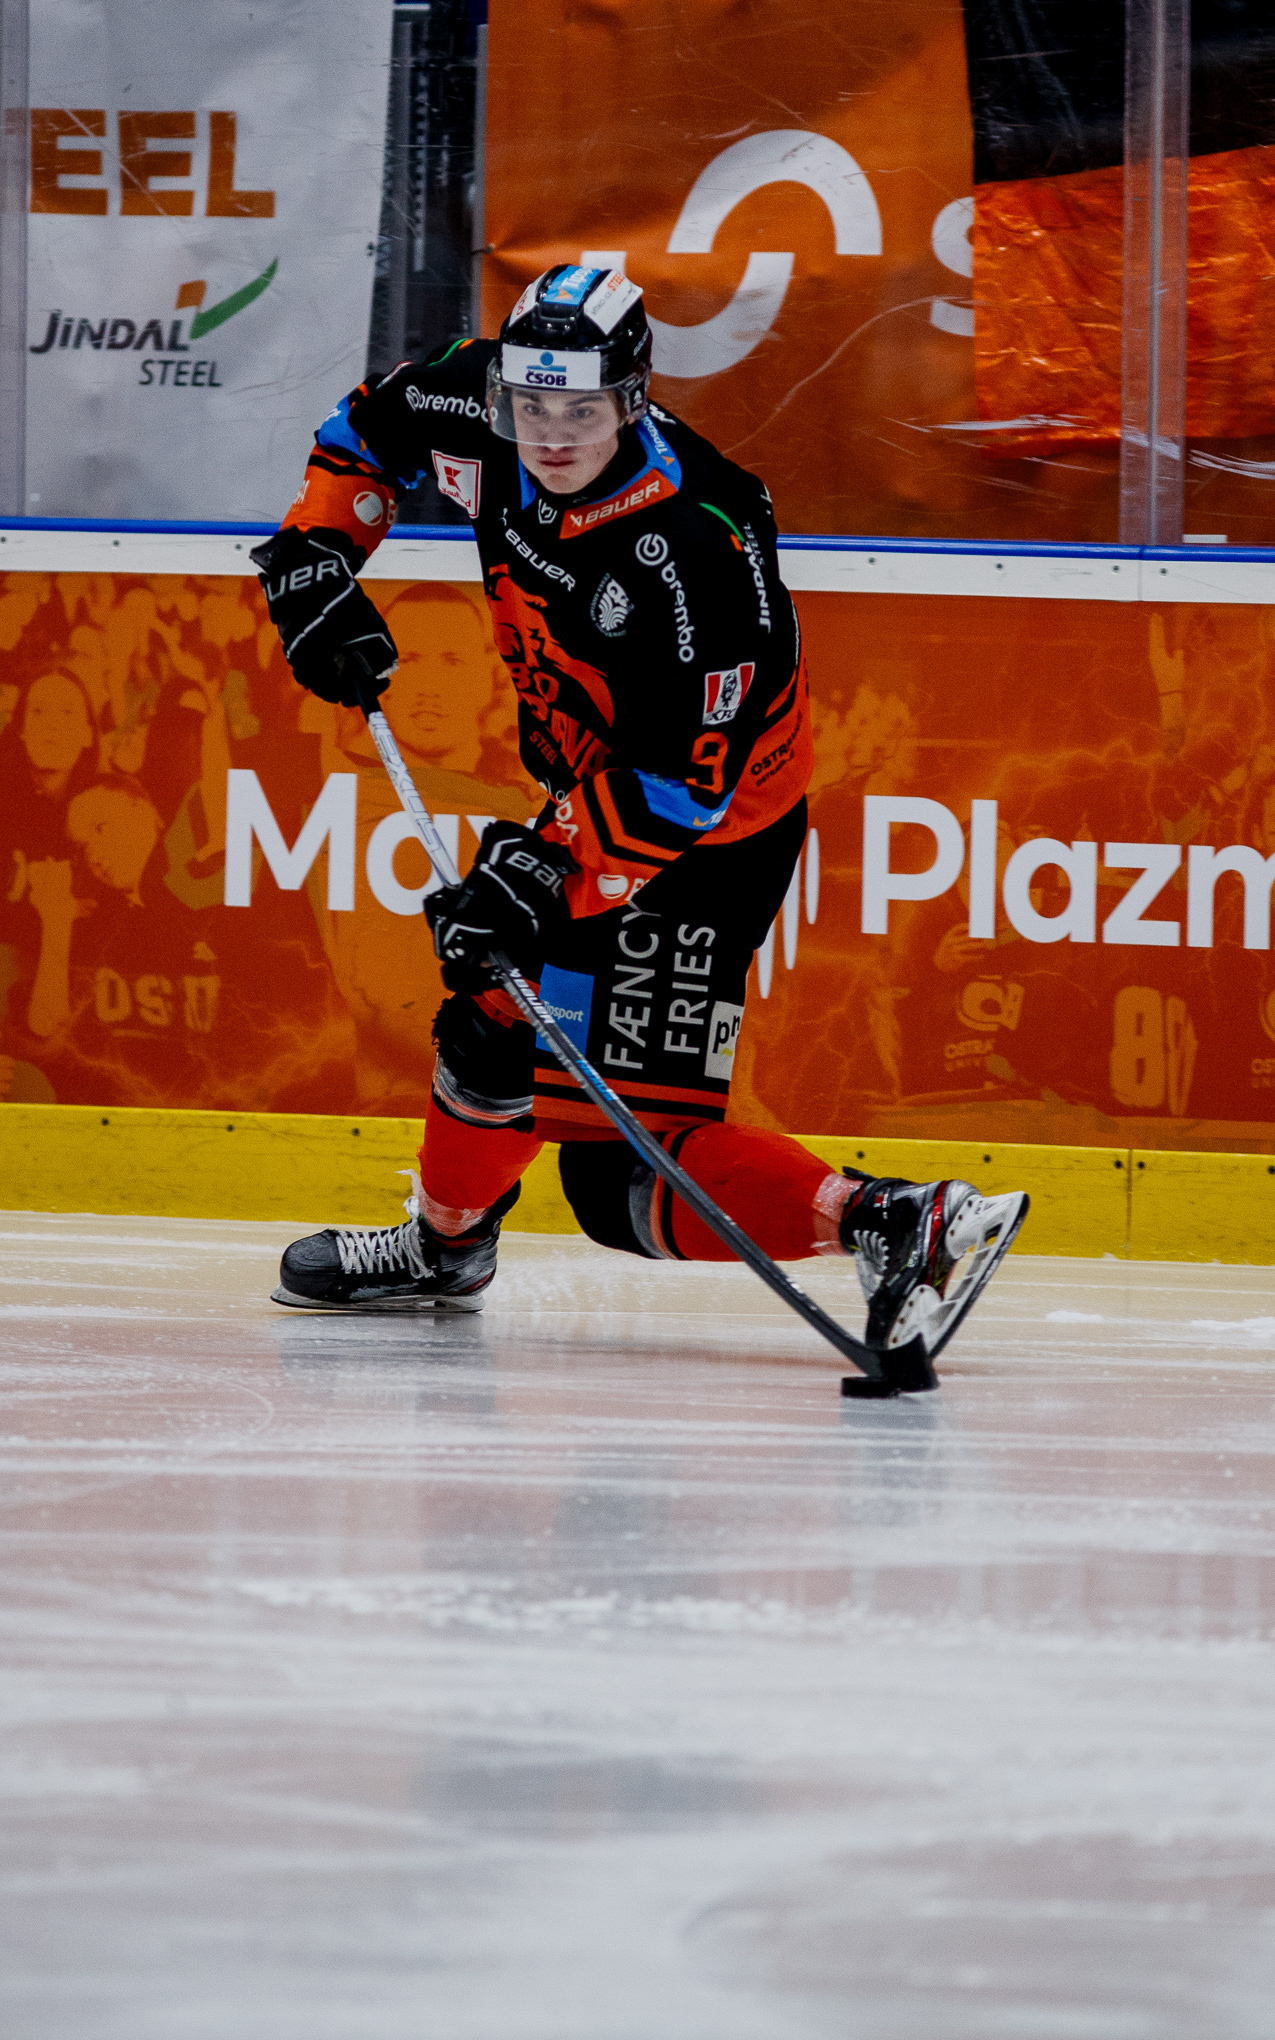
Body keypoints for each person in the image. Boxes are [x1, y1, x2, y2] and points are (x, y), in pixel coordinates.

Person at [253, 265, 1027, 1362]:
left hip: (711, 839)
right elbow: (368, 428)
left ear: (631, 396)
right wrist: (318, 555)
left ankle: (898, 1222)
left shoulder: (700, 544)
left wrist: (542, 872)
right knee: (490, 1018)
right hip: (593, 789)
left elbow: (685, 783)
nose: (550, 436)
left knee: (619, 1175)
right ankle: (445, 1248)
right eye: (531, 406)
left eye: (581, 411)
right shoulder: (476, 396)